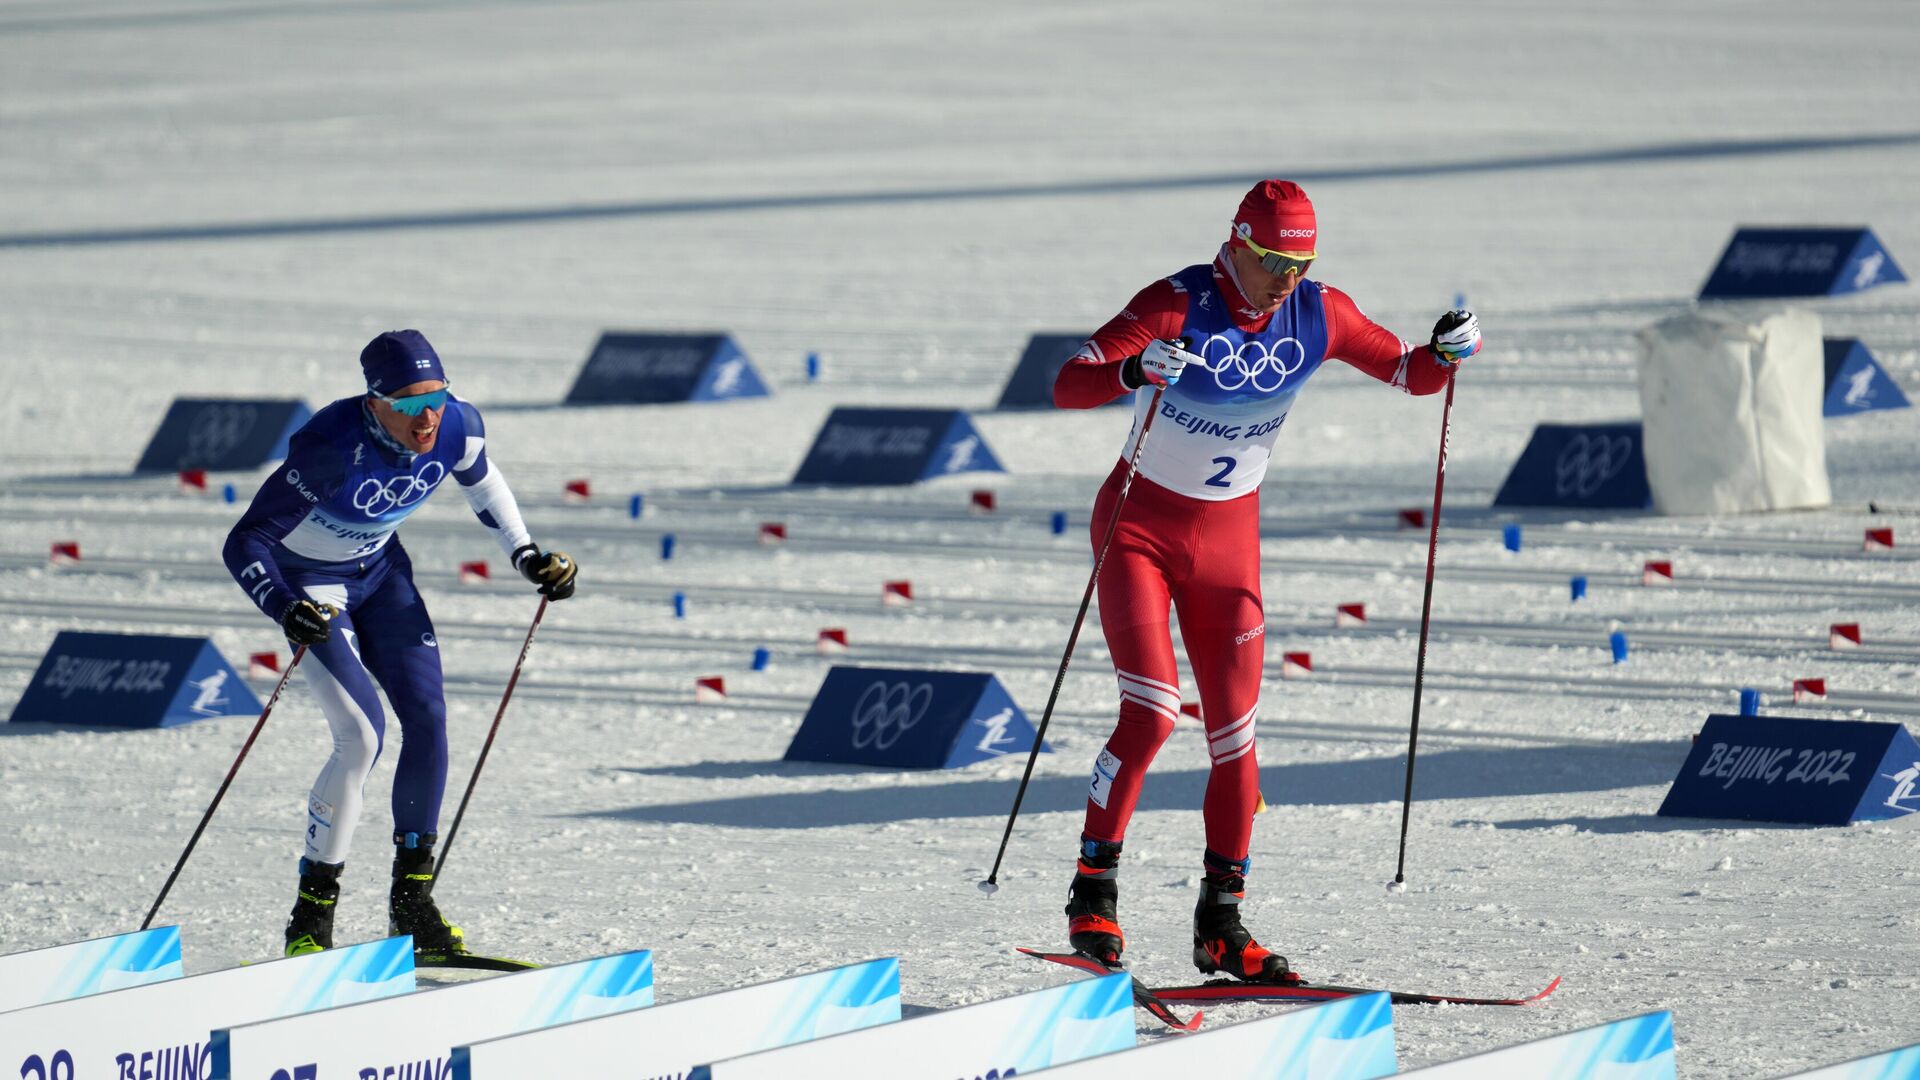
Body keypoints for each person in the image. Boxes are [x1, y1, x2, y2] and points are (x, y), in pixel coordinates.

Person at [1051, 180, 1480, 982]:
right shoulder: (1173, 304)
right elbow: (1068, 381)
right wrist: (1133, 370)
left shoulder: (1320, 313)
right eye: (1275, 261)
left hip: (1227, 543)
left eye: (1302, 262)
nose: (1289, 277)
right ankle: (1092, 891)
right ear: (1239, 245)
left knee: (1237, 739)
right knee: (1150, 713)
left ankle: (1221, 923)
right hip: (1138, 528)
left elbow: (1412, 375)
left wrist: (1447, 353)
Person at [222, 330, 579, 958]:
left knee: (429, 720)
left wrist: (527, 555)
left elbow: (483, 481)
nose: (428, 417)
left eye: (436, 397)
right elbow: (245, 541)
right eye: (410, 405)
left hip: (382, 576)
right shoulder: (330, 448)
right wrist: (283, 606)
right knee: (361, 737)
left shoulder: (456, 425)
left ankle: (412, 908)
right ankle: (311, 920)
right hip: (311, 583)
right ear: (374, 401)